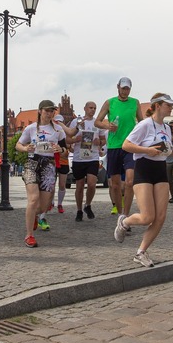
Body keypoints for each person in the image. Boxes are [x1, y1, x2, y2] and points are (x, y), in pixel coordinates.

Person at [114, 94, 173, 267]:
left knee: (160, 217)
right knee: (147, 217)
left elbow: (167, 151)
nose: (170, 108)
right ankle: (124, 222)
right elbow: (126, 145)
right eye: (168, 105)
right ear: (157, 106)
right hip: (144, 168)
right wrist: (147, 150)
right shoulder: (145, 124)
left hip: (160, 170)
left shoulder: (166, 128)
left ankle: (141, 252)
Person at [15, 99, 76, 247]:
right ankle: (29, 235)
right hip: (32, 163)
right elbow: (18, 145)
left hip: (48, 165)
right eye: (47, 110)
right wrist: (25, 148)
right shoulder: (30, 128)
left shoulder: (57, 130)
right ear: (40, 111)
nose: (50, 113)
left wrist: (60, 150)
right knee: (33, 199)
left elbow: (66, 151)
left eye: (52, 111)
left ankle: (36, 215)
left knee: (43, 206)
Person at [95, 77, 143, 216]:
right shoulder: (110, 103)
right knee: (115, 185)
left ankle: (126, 215)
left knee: (130, 181)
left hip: (129, 145)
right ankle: (119, 212)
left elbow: (141, 122)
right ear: (118, 87)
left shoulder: (135, 103)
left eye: (127, 88)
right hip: (114, 146)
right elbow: (97, 122)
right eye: (123, 88)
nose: (125, 91)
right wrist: (107, 126)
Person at [67, 101, 107, 221]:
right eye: (90, 107)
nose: (93, 110)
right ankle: (79, 210)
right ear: (85, 108)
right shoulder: (76, 122)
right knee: (79, 186)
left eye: (95, 108)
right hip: (79, 158)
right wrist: (75, 140)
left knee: (91, 184)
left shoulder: (97, 123)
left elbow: (103, 140)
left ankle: (88, 205)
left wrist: (99, 142)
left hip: (93, 157)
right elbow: (68, 139)